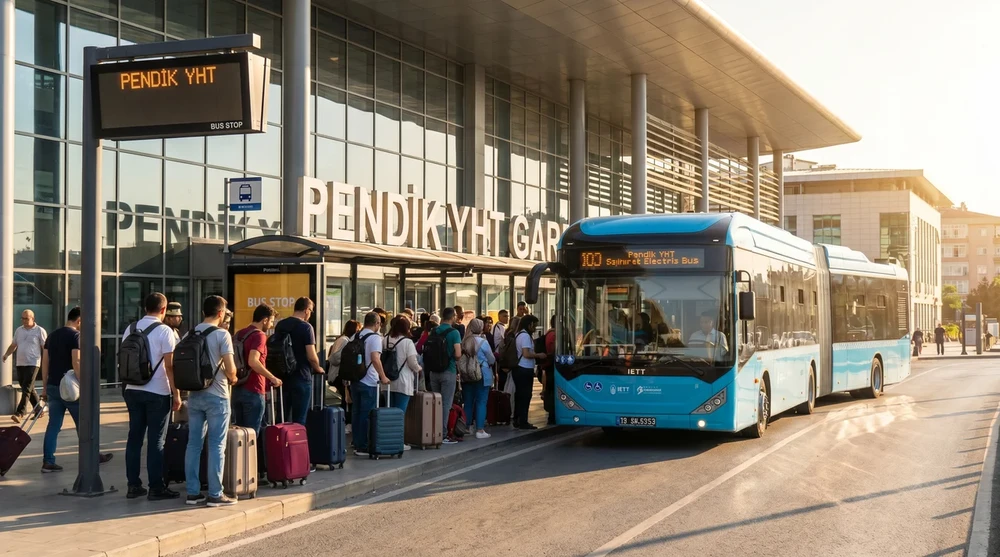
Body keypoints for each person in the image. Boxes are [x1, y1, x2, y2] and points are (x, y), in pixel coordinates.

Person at [39, 307, 113, 473]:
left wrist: (45, 387)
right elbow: (76, 361)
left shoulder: (52, 336)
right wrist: (84, 384)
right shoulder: (76, 336)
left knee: (53, 425)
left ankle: (48, 461)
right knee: (84, 423)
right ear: (79, 321)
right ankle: (93, 456)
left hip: (53, 386)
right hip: (70, 388)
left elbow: (45, 363)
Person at [123, 293, 180, 501]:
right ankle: (156, 487)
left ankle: (133, 485)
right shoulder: (165, 331)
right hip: (157, 392)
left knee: (134, 438)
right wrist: (177, 393)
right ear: (163, 310)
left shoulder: (129, 329)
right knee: (156, 441)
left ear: (145, 307)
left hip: (132, 389)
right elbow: (169, 366)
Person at [184, 295, 239, 507]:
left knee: (193, 444)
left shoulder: (191, 333)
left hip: (195, 394)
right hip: (217, 396)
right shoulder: (222, 334)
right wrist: (232, 377)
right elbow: (231, 368)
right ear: (220, 313)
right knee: (217, 445)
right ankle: (215, 494)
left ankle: (192, 492)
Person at [232, 304, 282, 444]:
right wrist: (272, 377)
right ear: (265, 320)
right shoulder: (259, 335)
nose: (271, 325)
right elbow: (253, 361)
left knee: (239, 436)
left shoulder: (240, 333)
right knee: (252, 437)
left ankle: (240, 464)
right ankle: (253, 466)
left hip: (238, 388)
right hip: (254, 389)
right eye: (271, 321)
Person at [273, 298, 325, 426]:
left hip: (283, 376)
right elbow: (311, 355)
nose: (310, 314)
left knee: (282, 417)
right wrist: (318, 368)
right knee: (299, 420)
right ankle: (296, 444)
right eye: (311, 311)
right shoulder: (306, 327)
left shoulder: (281, 325)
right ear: (306, 310)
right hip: (301, 376)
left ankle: (281, 444)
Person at [351, 312, 391, 457]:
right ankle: (362, 446)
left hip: (355, 380)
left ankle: (356, 442)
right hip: (369, 381)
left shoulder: (356, 336)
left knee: (356, 413)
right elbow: (375, 358)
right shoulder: (374, 338)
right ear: (377, 323)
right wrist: (383, 376)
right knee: (366, 414)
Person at [4, 309, 47, 423]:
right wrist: (6, 354)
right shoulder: (19, 330)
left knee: (26, 388)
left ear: (33, 318)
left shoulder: (39, 331)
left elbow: (45, 347)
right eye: (22, 318)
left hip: (33, 363)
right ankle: (39, 410)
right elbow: (14, 344)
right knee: (27, 387)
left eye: (26, 318)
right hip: (20, 363)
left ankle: (20, 413)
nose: (24, 320)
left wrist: (48, 361)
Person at [427, 308, 463, 443]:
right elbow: (458, 354)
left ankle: (432, 431)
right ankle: (442, 434)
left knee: (435, 403)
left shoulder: (434, 330)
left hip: (433, 371)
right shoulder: (454, 333)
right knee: (445, 404)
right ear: (453, 317)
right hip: (448, 371)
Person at [461, 319, 495, 439]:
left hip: (466, 374)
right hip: (482, 373)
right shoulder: (483, 342)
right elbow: (491, 359)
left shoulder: (464, 341)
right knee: (481, 401)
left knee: (468, 402)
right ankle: (480, 430)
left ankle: (466, 427)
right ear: (480, 328)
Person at [386, 315, 421, 419]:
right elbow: (412, 363)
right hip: (403, 382)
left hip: (386, 382)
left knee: (388, 414)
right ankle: (397, 434)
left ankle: (388, 434)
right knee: (399, 415)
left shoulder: (385, 340)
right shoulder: (408, 342)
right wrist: (419, 369)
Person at [328, 320, 360, 431]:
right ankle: (345, 422)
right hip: (339, 375)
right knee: (347, 399)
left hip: (339, 374)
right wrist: (348, 358)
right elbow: (334, 358)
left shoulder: (342, 339)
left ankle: (345, 422)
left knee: (346, 399)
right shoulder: (344, 340)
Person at [514, 315, 545, 430]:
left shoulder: (518, 334)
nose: (535, 328)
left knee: (519, 395)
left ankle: (517, 419)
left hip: (519, 368)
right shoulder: (525, 336)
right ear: (530, 324)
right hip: (524, 368)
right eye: (534, 325)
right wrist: (538, 355)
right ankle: (523, 421)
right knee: (525, 395)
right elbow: (526, 354)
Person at [542, 314, 557, 425]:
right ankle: (552, 415)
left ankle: (552, 415)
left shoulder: (548, 333)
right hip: (552, 365)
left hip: (548, 365)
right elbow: (553, 350)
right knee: (552, 391)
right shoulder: (554, 335)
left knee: (550, 390)